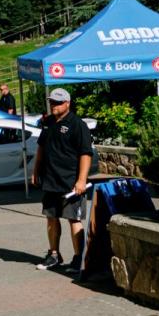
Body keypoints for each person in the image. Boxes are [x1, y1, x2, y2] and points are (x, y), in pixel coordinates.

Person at [31, 87, 93, 273]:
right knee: (51, 218)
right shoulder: (48, 122)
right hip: (50, 180)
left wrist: (81, 181)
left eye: (58, 102)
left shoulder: (77, 125)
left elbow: (85, 154)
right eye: (52, 102)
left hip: (70, 183)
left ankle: (79, 258)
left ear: (68, 103)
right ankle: (54, 255)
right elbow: (41, 148)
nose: (54, 105)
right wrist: (36, 171)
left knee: (73, 219)